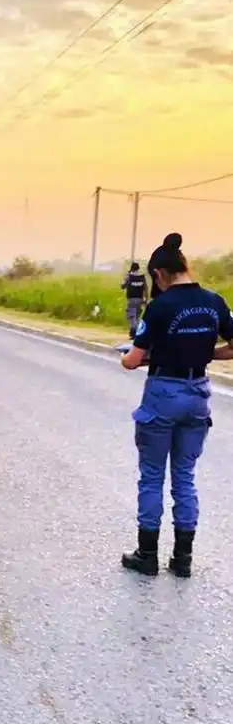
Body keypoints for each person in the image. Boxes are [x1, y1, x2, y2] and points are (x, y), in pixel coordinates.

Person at [120, 233, 233, 578]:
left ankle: (148, 555)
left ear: (159, 274)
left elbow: (132, 360)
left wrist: (133, 356)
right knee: (185, 477)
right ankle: (182, 559)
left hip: (163, 393)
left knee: (152, 477)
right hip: (198, 392)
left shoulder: (160, 306)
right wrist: (204, 353)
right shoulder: (215, 302)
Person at [146, 232, 181, 301]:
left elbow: (151, 268)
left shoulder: (159, 252)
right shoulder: (174, 254)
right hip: (164, 291)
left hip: (162, 291)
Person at [120, 261, 148, 339]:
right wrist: (146, 299)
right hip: (140, 299)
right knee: (136, 317)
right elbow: (146, 288)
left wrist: (126, 281)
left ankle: (134, 332)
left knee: (132, 317)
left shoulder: (129, 276)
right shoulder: (142, 277)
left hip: (131, 299)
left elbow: (122, 286)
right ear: (138, 268)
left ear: (132, 268)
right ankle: (134, 333)